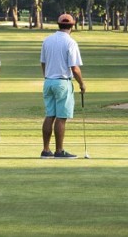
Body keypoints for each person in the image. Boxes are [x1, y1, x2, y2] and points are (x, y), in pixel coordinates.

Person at [40, 13, 85, 158]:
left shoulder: (47, 40)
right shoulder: (70, 42)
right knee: (61, 118)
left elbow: (43, 62)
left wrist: (47, 76)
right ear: (72, 25)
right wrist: (82, 84)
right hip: (62, 82)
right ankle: (59, 151)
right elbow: (74, 68)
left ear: (58, 24)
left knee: (49, 116)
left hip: (48, 81)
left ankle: (46, 150)